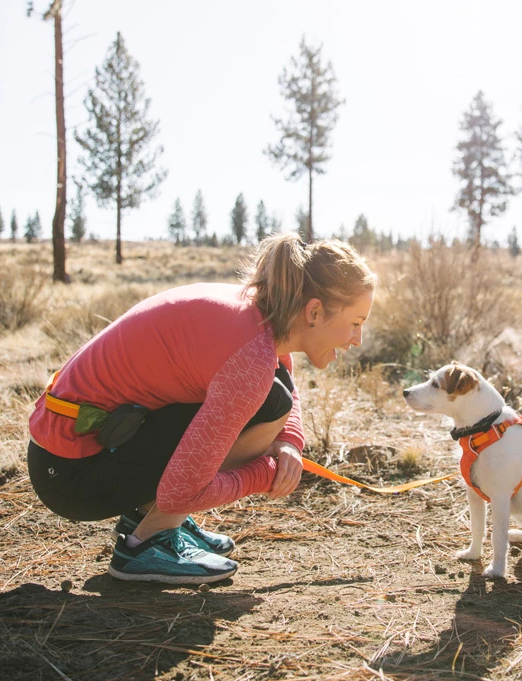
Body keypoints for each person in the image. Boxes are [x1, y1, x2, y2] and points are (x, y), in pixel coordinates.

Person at [26, 233, 376, 584]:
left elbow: (286, 378)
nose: (357, 340)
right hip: (74, 474)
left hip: (75, 451)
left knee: (274, 397)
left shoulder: (261, 312)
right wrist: (266, 474)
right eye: (356, 323)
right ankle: (148, 543)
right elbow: (183, 492)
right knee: (265, 404)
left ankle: (147, 519)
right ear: (314, 312)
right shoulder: (250, 358)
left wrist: (289, 441)